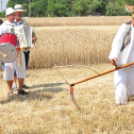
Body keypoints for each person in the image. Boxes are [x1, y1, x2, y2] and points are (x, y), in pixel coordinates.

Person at [0, 7, 28, 97]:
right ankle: (9, 90)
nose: (14, 17)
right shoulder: (3, 27)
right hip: (8, 53)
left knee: (21, 70)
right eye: (12, 15)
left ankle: (20, 89)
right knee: (9, 70)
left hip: (19, 50)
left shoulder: (18, 26)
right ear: (7, 16)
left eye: (14, 15)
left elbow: (23, 37)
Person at [109, 11, 134, 105]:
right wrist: (114, 56)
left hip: (133, 61)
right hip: (122, 61)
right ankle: (120, 101)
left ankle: (131, 96)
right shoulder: (125, 27)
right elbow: (117, 43)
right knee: (121, 80)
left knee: (132, 80)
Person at [12, 4, 37, 90]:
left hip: (25, 49)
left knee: (23, 67)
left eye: (21, 12)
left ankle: (21, 84)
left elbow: (31, 32)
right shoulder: (10, 23)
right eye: (19, 12)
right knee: (15, 67)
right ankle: (14, 84)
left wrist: (33, 38)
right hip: (15, 49)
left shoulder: (25, 22)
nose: (20, 13)